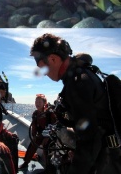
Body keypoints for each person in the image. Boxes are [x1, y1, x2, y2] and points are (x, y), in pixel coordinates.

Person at [29, 33, 121, 174]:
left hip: (105, 161)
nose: (44, 73)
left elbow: (90, 140)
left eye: (43, 68)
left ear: (53, 59)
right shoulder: (81, 75)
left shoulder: (78, 83)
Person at [19, 94, 58, 172]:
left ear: (44, 103)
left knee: (47, 146)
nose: (37, 104)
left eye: (39, 102)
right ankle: (26, 162)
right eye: (36, 102)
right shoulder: (35, 113)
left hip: (50, 135)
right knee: (33, 144)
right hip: (41, 134)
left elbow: (54, 125)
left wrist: (47, 137)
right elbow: (34, 126)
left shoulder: (49, 113)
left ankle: (48, 168)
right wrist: (34, 136)